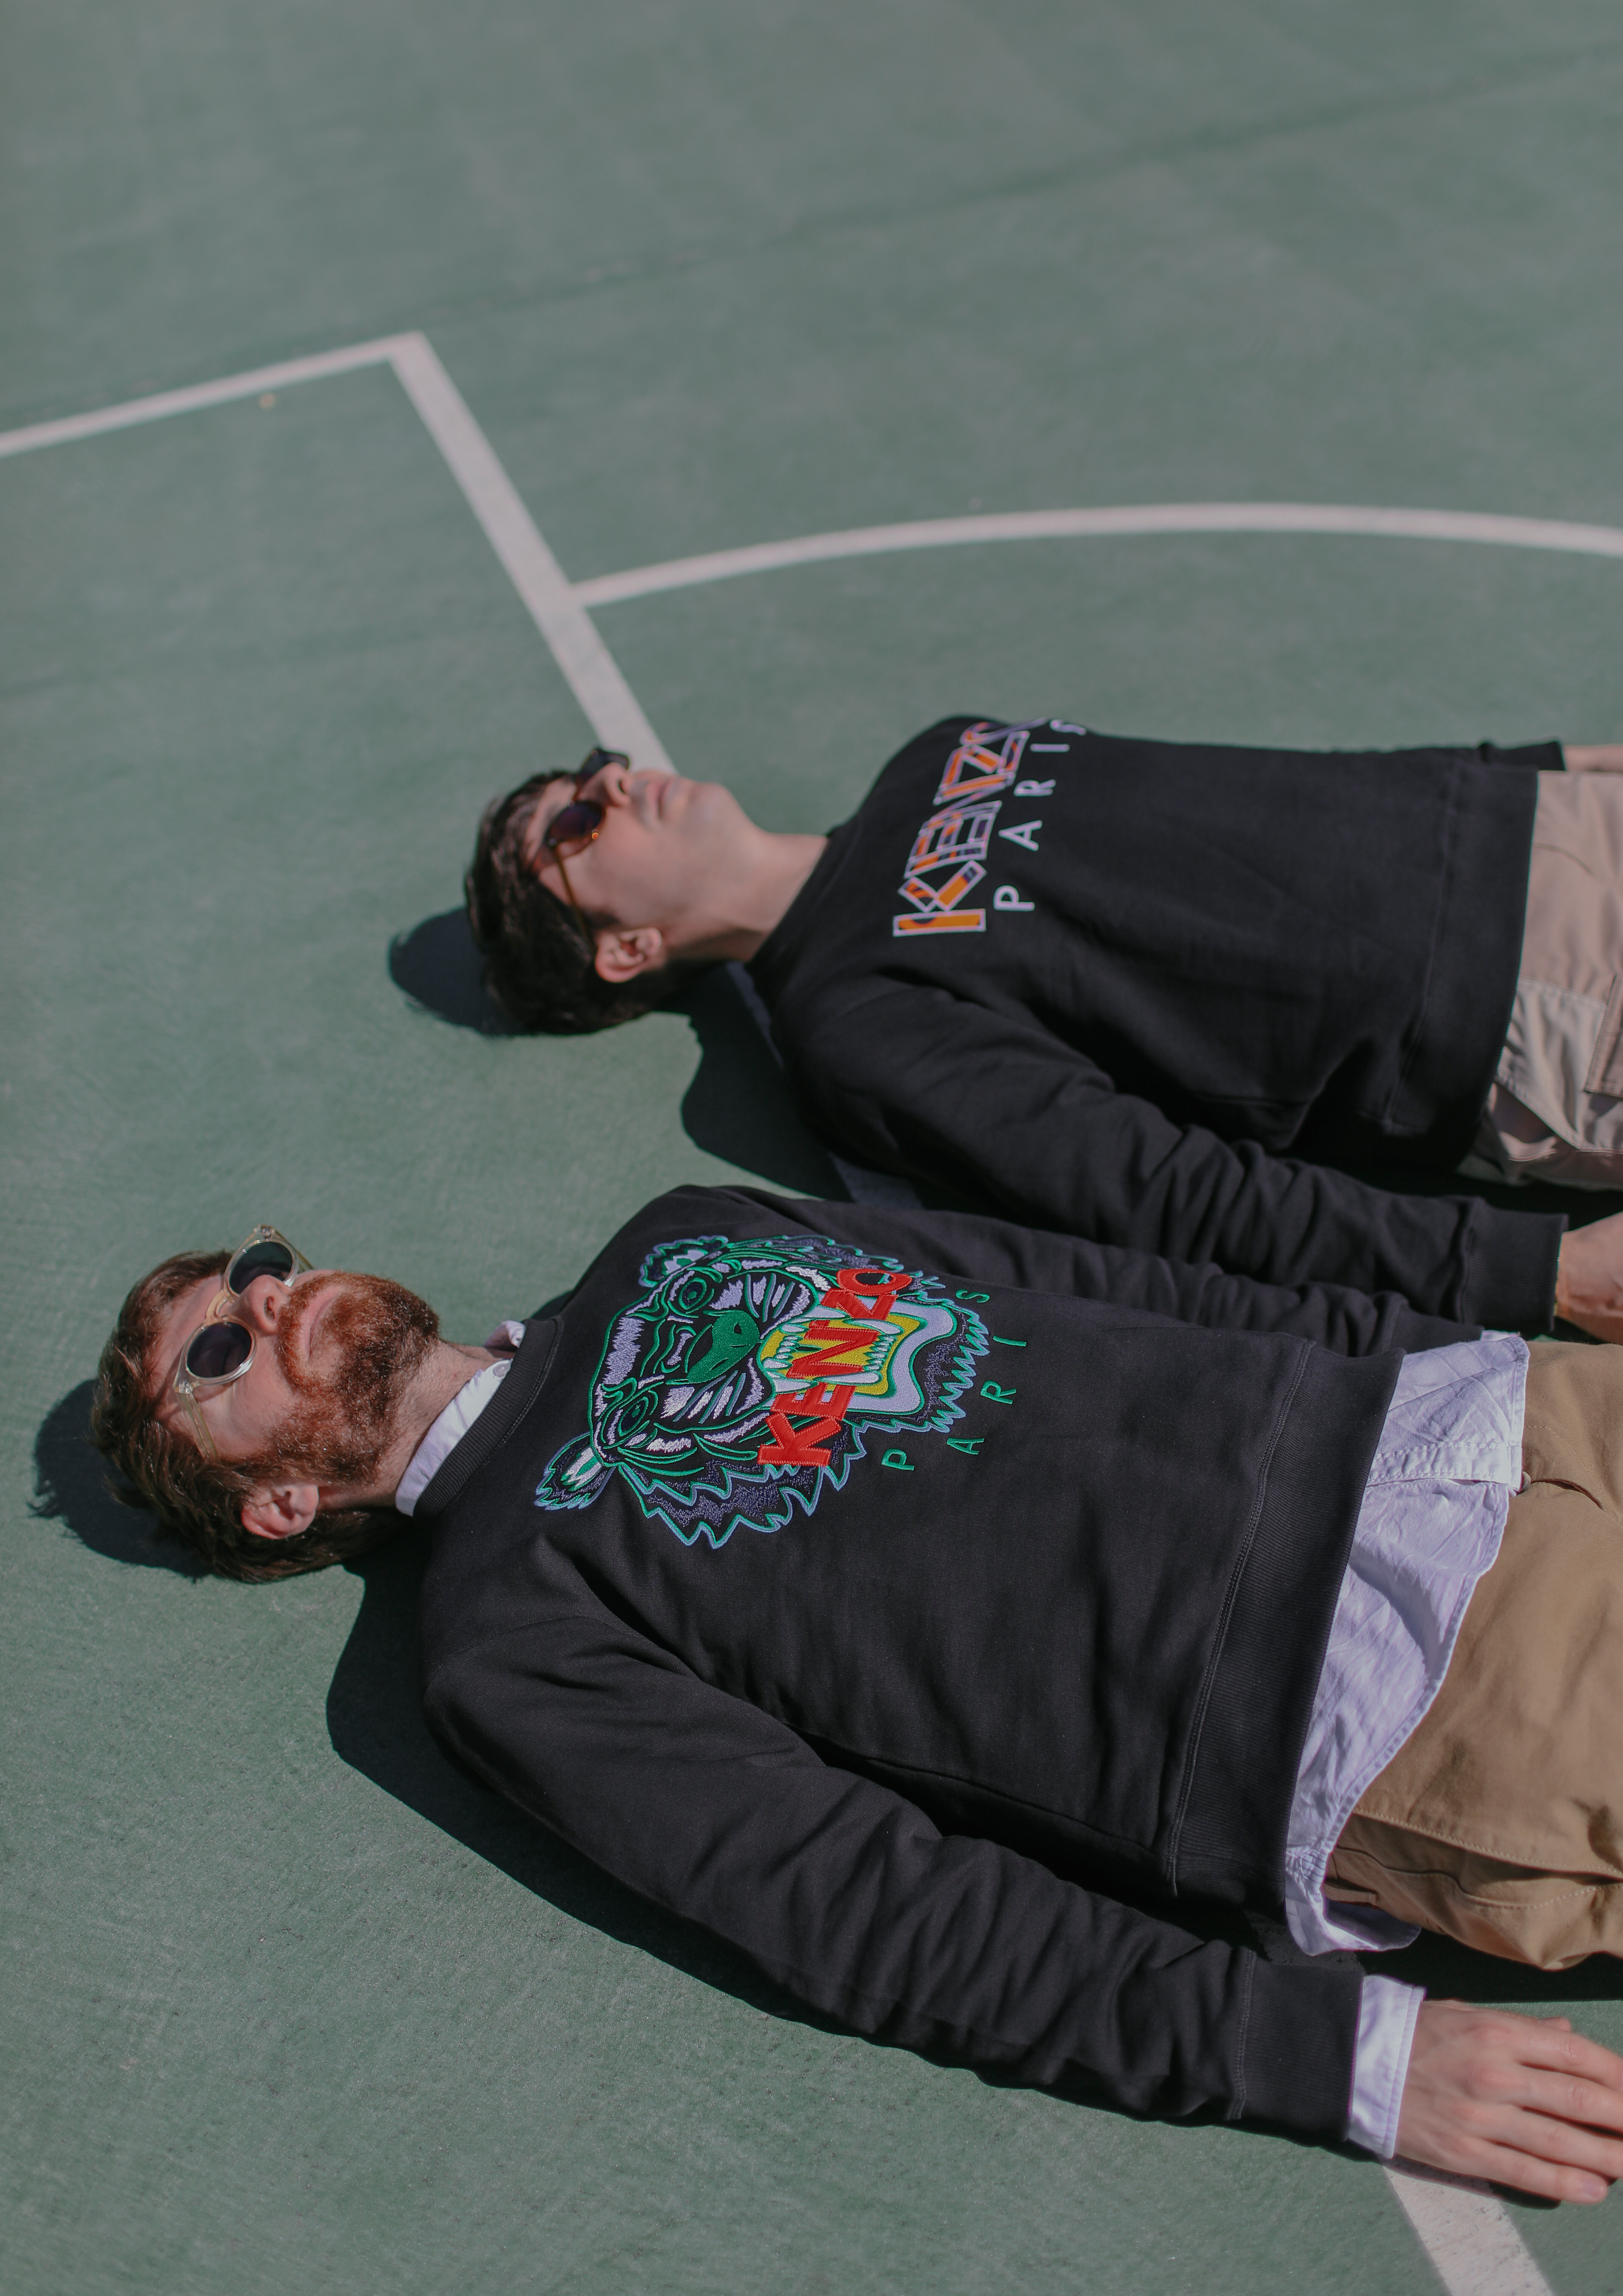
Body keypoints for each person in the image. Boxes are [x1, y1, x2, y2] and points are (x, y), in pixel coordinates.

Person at [92, 1196, 1623, 2203]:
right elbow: (865, 1906)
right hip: (1402, 1679)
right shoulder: (502, 1637)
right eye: (219, 1350)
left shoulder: (674, 1233)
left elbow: (1076, 1272)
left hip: (1472, 1413)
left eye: (256, 1268)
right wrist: (1324, 2058)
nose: (269, 1300)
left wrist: (1442, 1345)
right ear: (273, 1507)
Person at [464, 729, 1623, 1341]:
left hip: (1548, 824)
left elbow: (1274, 786)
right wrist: (1545, 1275)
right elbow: (1171, 1196)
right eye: (575, 823)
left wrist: (1546, 770)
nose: (616, 782)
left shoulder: (938, 753)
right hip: (1537, 1006)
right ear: (625, 951)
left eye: (595, 768)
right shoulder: (852, 1024)